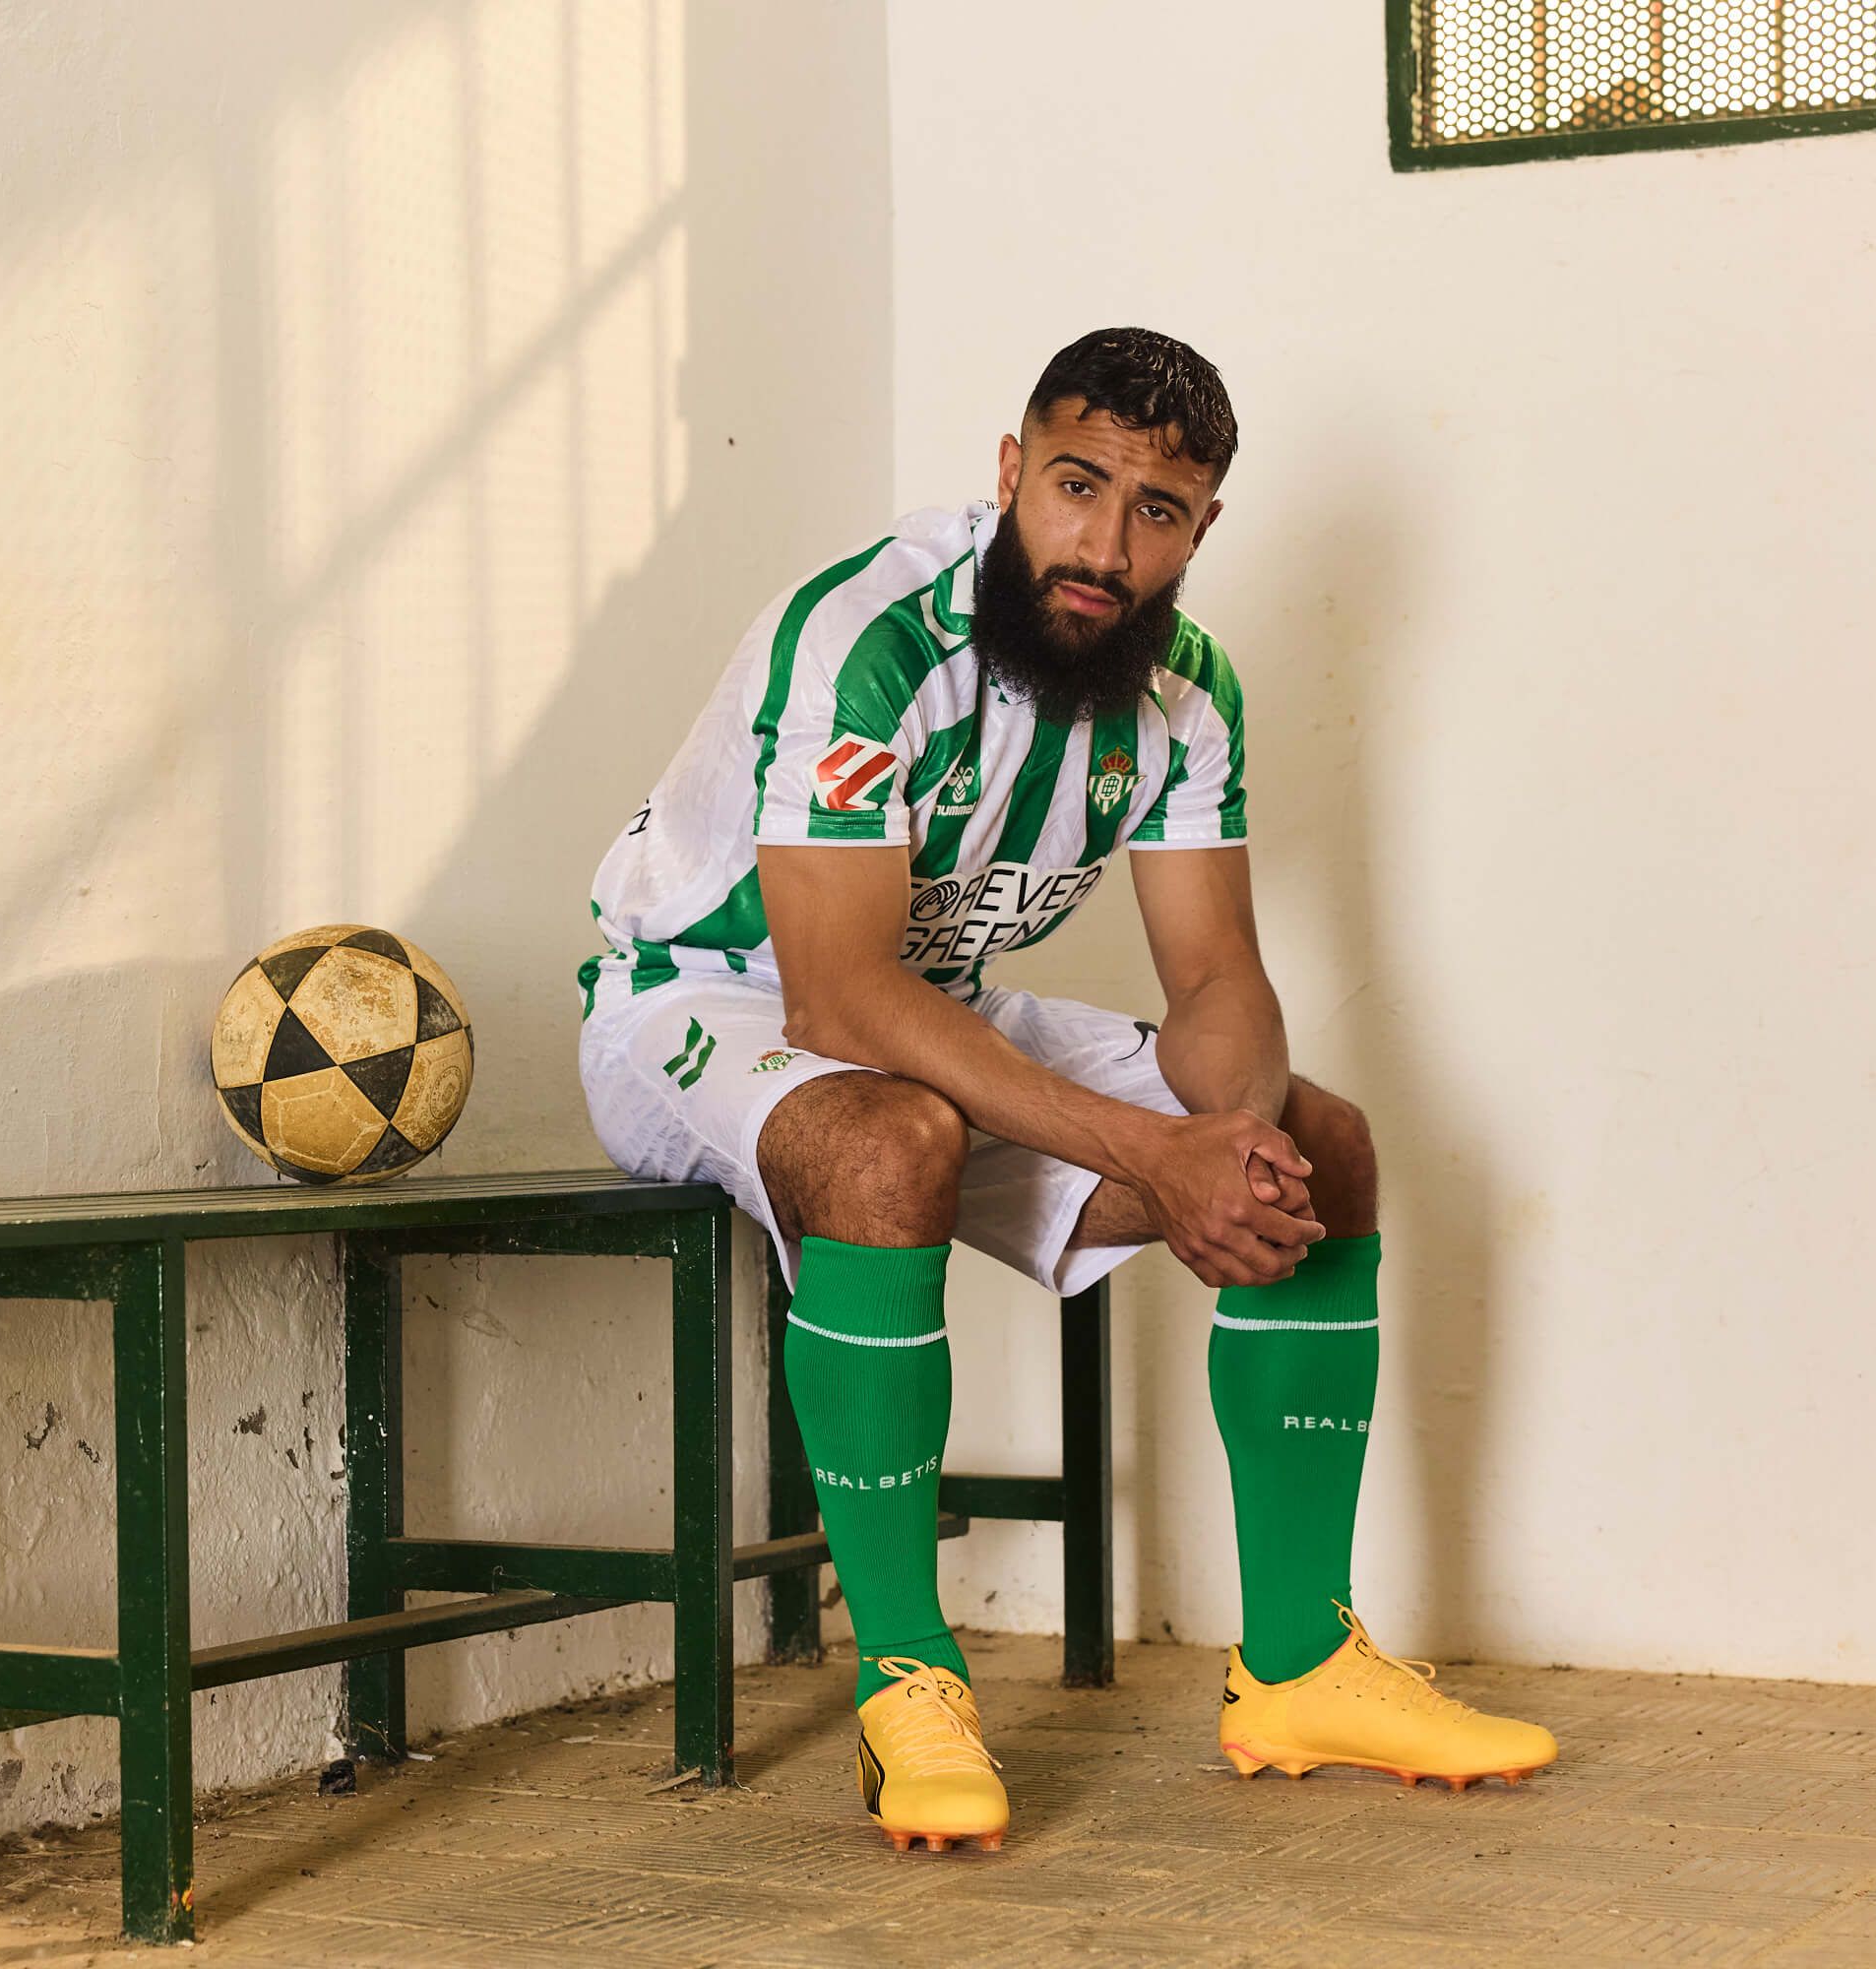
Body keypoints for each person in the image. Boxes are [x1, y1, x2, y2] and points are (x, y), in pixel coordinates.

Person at [573, 328, 1555, 1853]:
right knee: (893, 1135)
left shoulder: (1186, 690)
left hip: (933, 1010)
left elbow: (1215, 980)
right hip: (696, 1003)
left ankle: (1297, 1662)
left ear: (1201, 529)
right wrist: (1153, 1155)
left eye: (1157, 509)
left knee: (1324, 1145)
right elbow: (837, 996)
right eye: (1080, 485)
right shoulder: (865, 632)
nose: (1106, 542)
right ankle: (908, 1682)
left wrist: (1228, 1144)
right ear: (1014, 468)